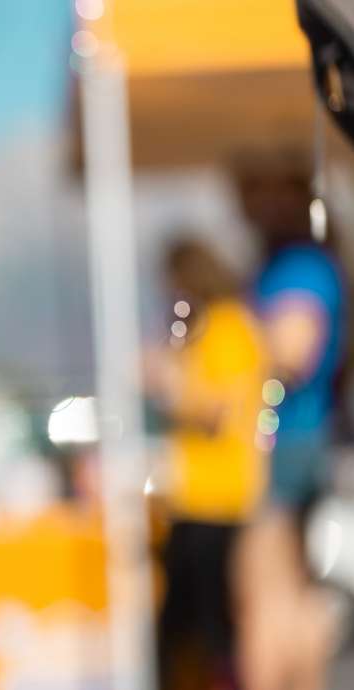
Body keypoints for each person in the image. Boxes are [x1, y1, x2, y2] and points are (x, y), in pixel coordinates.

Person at [228, 149, 347, 690]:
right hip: (292, 436)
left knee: (270, 593)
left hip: (291, 437)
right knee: (284, 591)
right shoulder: (295, 261)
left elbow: (295, 349)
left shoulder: (300, 263)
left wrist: (232, 349)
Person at [143, 237, 269, 690]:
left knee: (207, 632)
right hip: (199, 500)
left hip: (219, 500)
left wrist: (167, 382)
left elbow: (218, 408)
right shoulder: (215, 328)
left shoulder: (228, 327)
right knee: (186, 631)